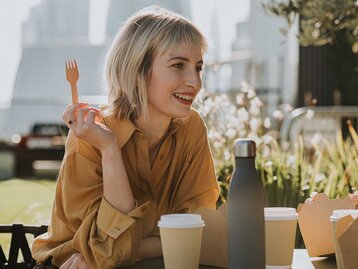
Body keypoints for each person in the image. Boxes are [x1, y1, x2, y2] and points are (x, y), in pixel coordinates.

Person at [31, 6, 220, 269]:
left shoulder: (192, 128)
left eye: (198, 67)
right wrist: (110, 148)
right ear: (138, 69)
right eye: (178, 65)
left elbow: (200, 231)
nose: (195, 82)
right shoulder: (89, 136)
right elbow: (105, 248)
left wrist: (129, 249)